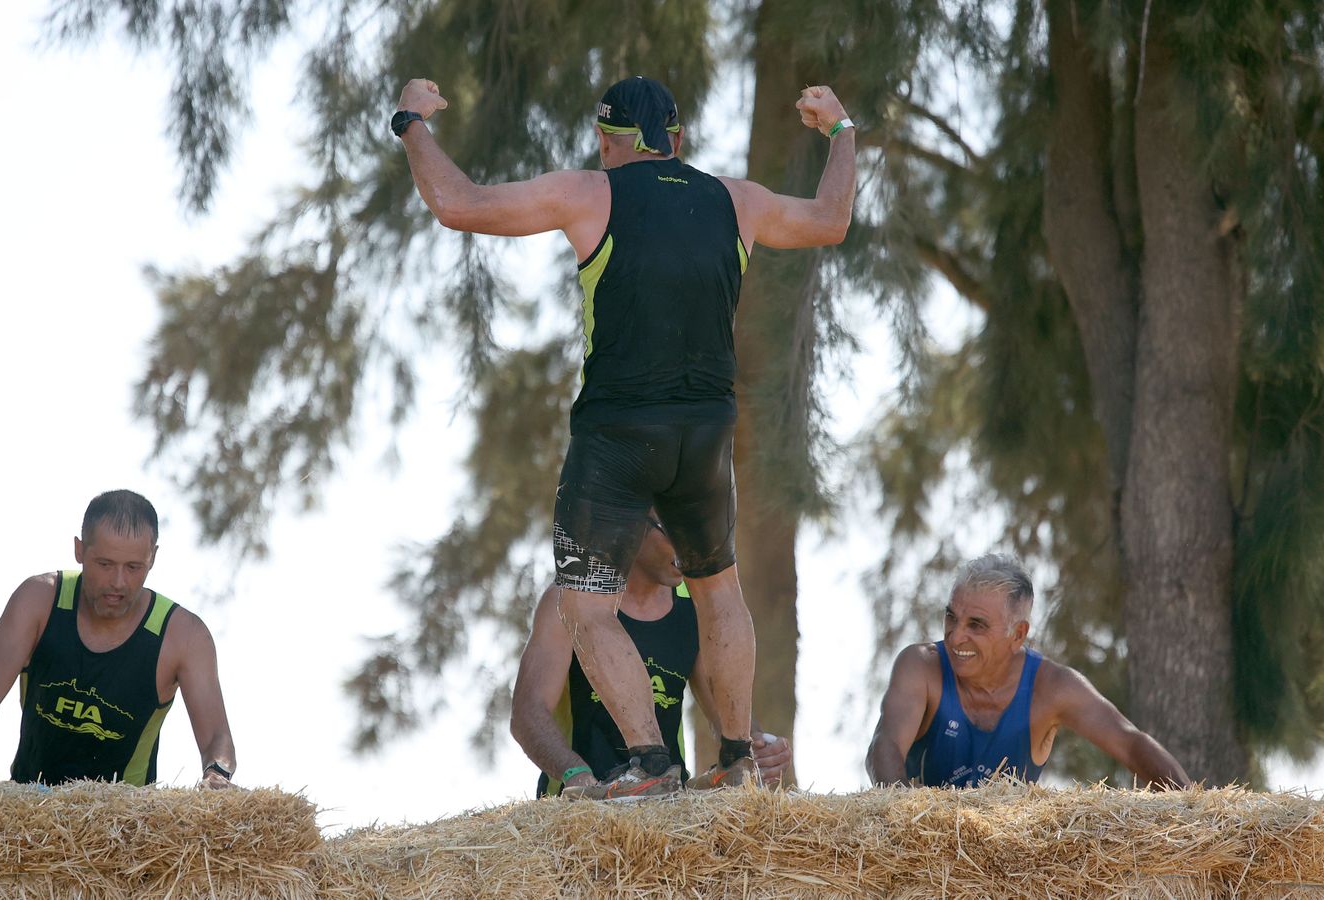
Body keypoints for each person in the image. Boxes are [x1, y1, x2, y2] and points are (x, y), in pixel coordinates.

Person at [393, 74, 855, 797]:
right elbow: (831, 220)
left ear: (611, 141)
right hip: (705, 431)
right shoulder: (738, 200)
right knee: (718, 589)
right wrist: (841, 131)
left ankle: (650, 761)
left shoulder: (589, 193)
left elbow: (457, 203)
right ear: (677, 140)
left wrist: (411, 122)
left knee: (586, 604)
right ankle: (737, 756)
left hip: (617, 432)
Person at [0, 490, 236, 788]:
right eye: (104, 564)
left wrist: (216, 774)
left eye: (133, 567)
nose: (118, 582)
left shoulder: (184, 636)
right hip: (28, 806)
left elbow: (216, 737)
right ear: (80, 550)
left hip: (125, 823)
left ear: (153, 557)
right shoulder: (38, 600)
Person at [511, 514, 791, 800]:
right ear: (634, 525)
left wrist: (760, 750)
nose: (689, 546)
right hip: (583, 808)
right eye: (676, 531)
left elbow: (725, 716)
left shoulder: (693, 608)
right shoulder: (569, 597)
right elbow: (527, 713)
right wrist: (575, 774)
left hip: (666, 801)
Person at [866, 554, 1189, 789]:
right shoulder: (921, 666)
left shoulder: (1052, 688)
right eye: (951, 617)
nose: (955, 635)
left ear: (1018, 634)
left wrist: (1198, 816)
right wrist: (905, 824)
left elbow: (1131, 744)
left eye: (976, 625)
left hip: (1006, 867)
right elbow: (885, 745)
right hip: (923, 858)